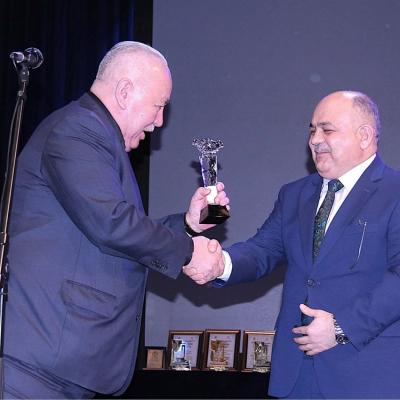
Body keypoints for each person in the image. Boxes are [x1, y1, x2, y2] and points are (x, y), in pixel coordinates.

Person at [3, 41, 228, 398]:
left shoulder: (92, 134)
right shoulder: (77, 130)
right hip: (39, 365)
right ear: (124, 92)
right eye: (158, 106)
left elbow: (115, 232)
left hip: (60, 365)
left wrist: (187, 224)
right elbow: (110, 223)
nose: (159, 122)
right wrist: (188, 252)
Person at [184, 90, 400, 398]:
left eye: (327, 130)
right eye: (312, 131)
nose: (315, 140)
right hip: (296, 376)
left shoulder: (394, 191)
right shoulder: (294, 195)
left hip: (366, 376)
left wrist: (342, 327)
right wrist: (221, 265)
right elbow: (263, 250)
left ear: (364, 136)